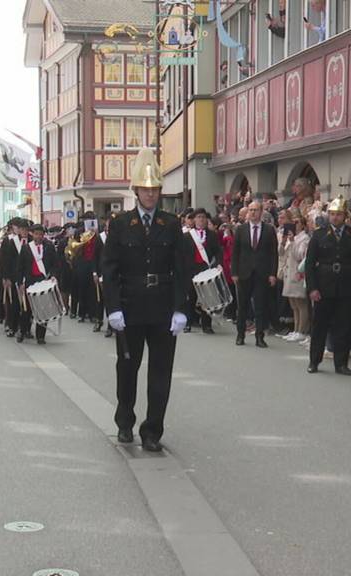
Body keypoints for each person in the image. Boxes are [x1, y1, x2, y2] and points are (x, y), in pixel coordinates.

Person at [101, 148, 188, 453]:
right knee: (128, 368)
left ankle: (152, 429)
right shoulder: (121, 224)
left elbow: (181, 269)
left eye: (154, 190)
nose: (150, 195)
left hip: (162, 306)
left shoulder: (171, 224)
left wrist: (180, 309)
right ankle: (125, 421)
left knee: (160, 372)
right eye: (145, 189)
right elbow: (109, 269)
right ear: (136, 191)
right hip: (130, 306)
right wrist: (113, 308)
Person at [304, 197, 351, 374]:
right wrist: (312, 288)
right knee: (320, 326)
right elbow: (310, 264)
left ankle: (341, 363)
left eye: (339, 214)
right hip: (323, 286)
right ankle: (314, 361)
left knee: (343, 326)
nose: (335, 218)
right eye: (332, 214)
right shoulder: (319, 234)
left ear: (345, 216)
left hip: (345, 286)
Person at [231, 201, 278, 347]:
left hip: (261, 273)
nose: (252, 213)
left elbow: (273, 254)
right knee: (243, 306)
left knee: (260, 307)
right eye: (250, 210)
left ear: (261, 212)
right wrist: (234, 272)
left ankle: (259, 337)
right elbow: (235, 252)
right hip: (244, 272)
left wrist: (272, 273)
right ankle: (240, 335)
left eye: (255, 210)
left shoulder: (269, 230)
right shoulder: (241, 230)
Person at [17, 224, 60, 345]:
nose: (39, 236)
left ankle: (40, 336)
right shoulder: (26, 248)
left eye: (41, 234)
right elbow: (20, 267)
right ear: (32, 234)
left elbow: (55, 264)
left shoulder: (49, 247)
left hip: (44, 281)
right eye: (36, 234)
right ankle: (23, 330)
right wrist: (20, 282)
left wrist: (54, 275)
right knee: (27, 309)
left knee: (43, 310)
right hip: (30, 281)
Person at [185, 208, 220, 334]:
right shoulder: (187, 236)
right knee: (191, 298)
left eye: (203, 217)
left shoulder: (212, 235)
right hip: (191, 270)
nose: (201, 219)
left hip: (206, 269)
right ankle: (188, 323)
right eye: (199, 217)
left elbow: (218, 252)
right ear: (194, 219)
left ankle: (207, 325)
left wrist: (217, 264)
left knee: (207, 299)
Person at [281, 209, 310, 343]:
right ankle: (296, 329)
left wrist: (292, 242)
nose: (295, 224)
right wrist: (285, 240)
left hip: (298, 273)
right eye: (293, 222)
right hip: (289, 272)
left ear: (303, 225)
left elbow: (300, 255)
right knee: (293, 304)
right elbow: (282, 253)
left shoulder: (304, 238)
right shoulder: (292, 237)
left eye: (297, 222)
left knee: (300, 303)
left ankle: (302, 330)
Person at [0, 218, 26, 339]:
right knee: (14, 303)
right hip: (14, 276)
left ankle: (25, 328)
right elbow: (5, 261)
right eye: (20, 228)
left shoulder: (29, 242)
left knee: (26, 305)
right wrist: (6, 277)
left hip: (27, 277)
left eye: (25, 229)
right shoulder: (9, 241)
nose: (23, 231)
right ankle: (12, 326)